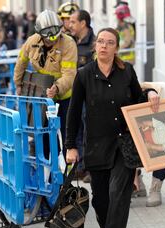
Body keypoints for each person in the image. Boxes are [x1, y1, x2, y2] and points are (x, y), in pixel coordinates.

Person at [65, 27, 160, 228]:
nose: (104, 46)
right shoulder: (84, 75)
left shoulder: (126, 71)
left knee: (119, 195)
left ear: (116, 47)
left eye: (109, 42)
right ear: (95, 46)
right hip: (96, 146)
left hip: (124, 146)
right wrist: (71, 147)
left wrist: (150, 93)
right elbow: (74, 113)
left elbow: (139, 98)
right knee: (102, 200)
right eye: (100, 42)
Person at [14, 10, 77, 157]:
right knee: (46, 137)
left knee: (69, 136)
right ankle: (51, 173)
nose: (52, 41)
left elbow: (69, 74)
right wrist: (18, 84)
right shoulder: (32, 42)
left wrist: (57, 87)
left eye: (54, 39)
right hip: (42, 97)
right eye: (48, 40)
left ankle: (70, 172)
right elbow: (20, 63)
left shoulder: (68, 44)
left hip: (65, 97)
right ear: (40, 34)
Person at [68, 9, 95, 182]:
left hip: (90, 96)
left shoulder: (94, 43)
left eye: (72, 22)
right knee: (76, 129)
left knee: (88, 131)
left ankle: (91, 168)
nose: (69, 25)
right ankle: (80, 167)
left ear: (83, 23)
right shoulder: (71, 43)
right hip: (73, 95)